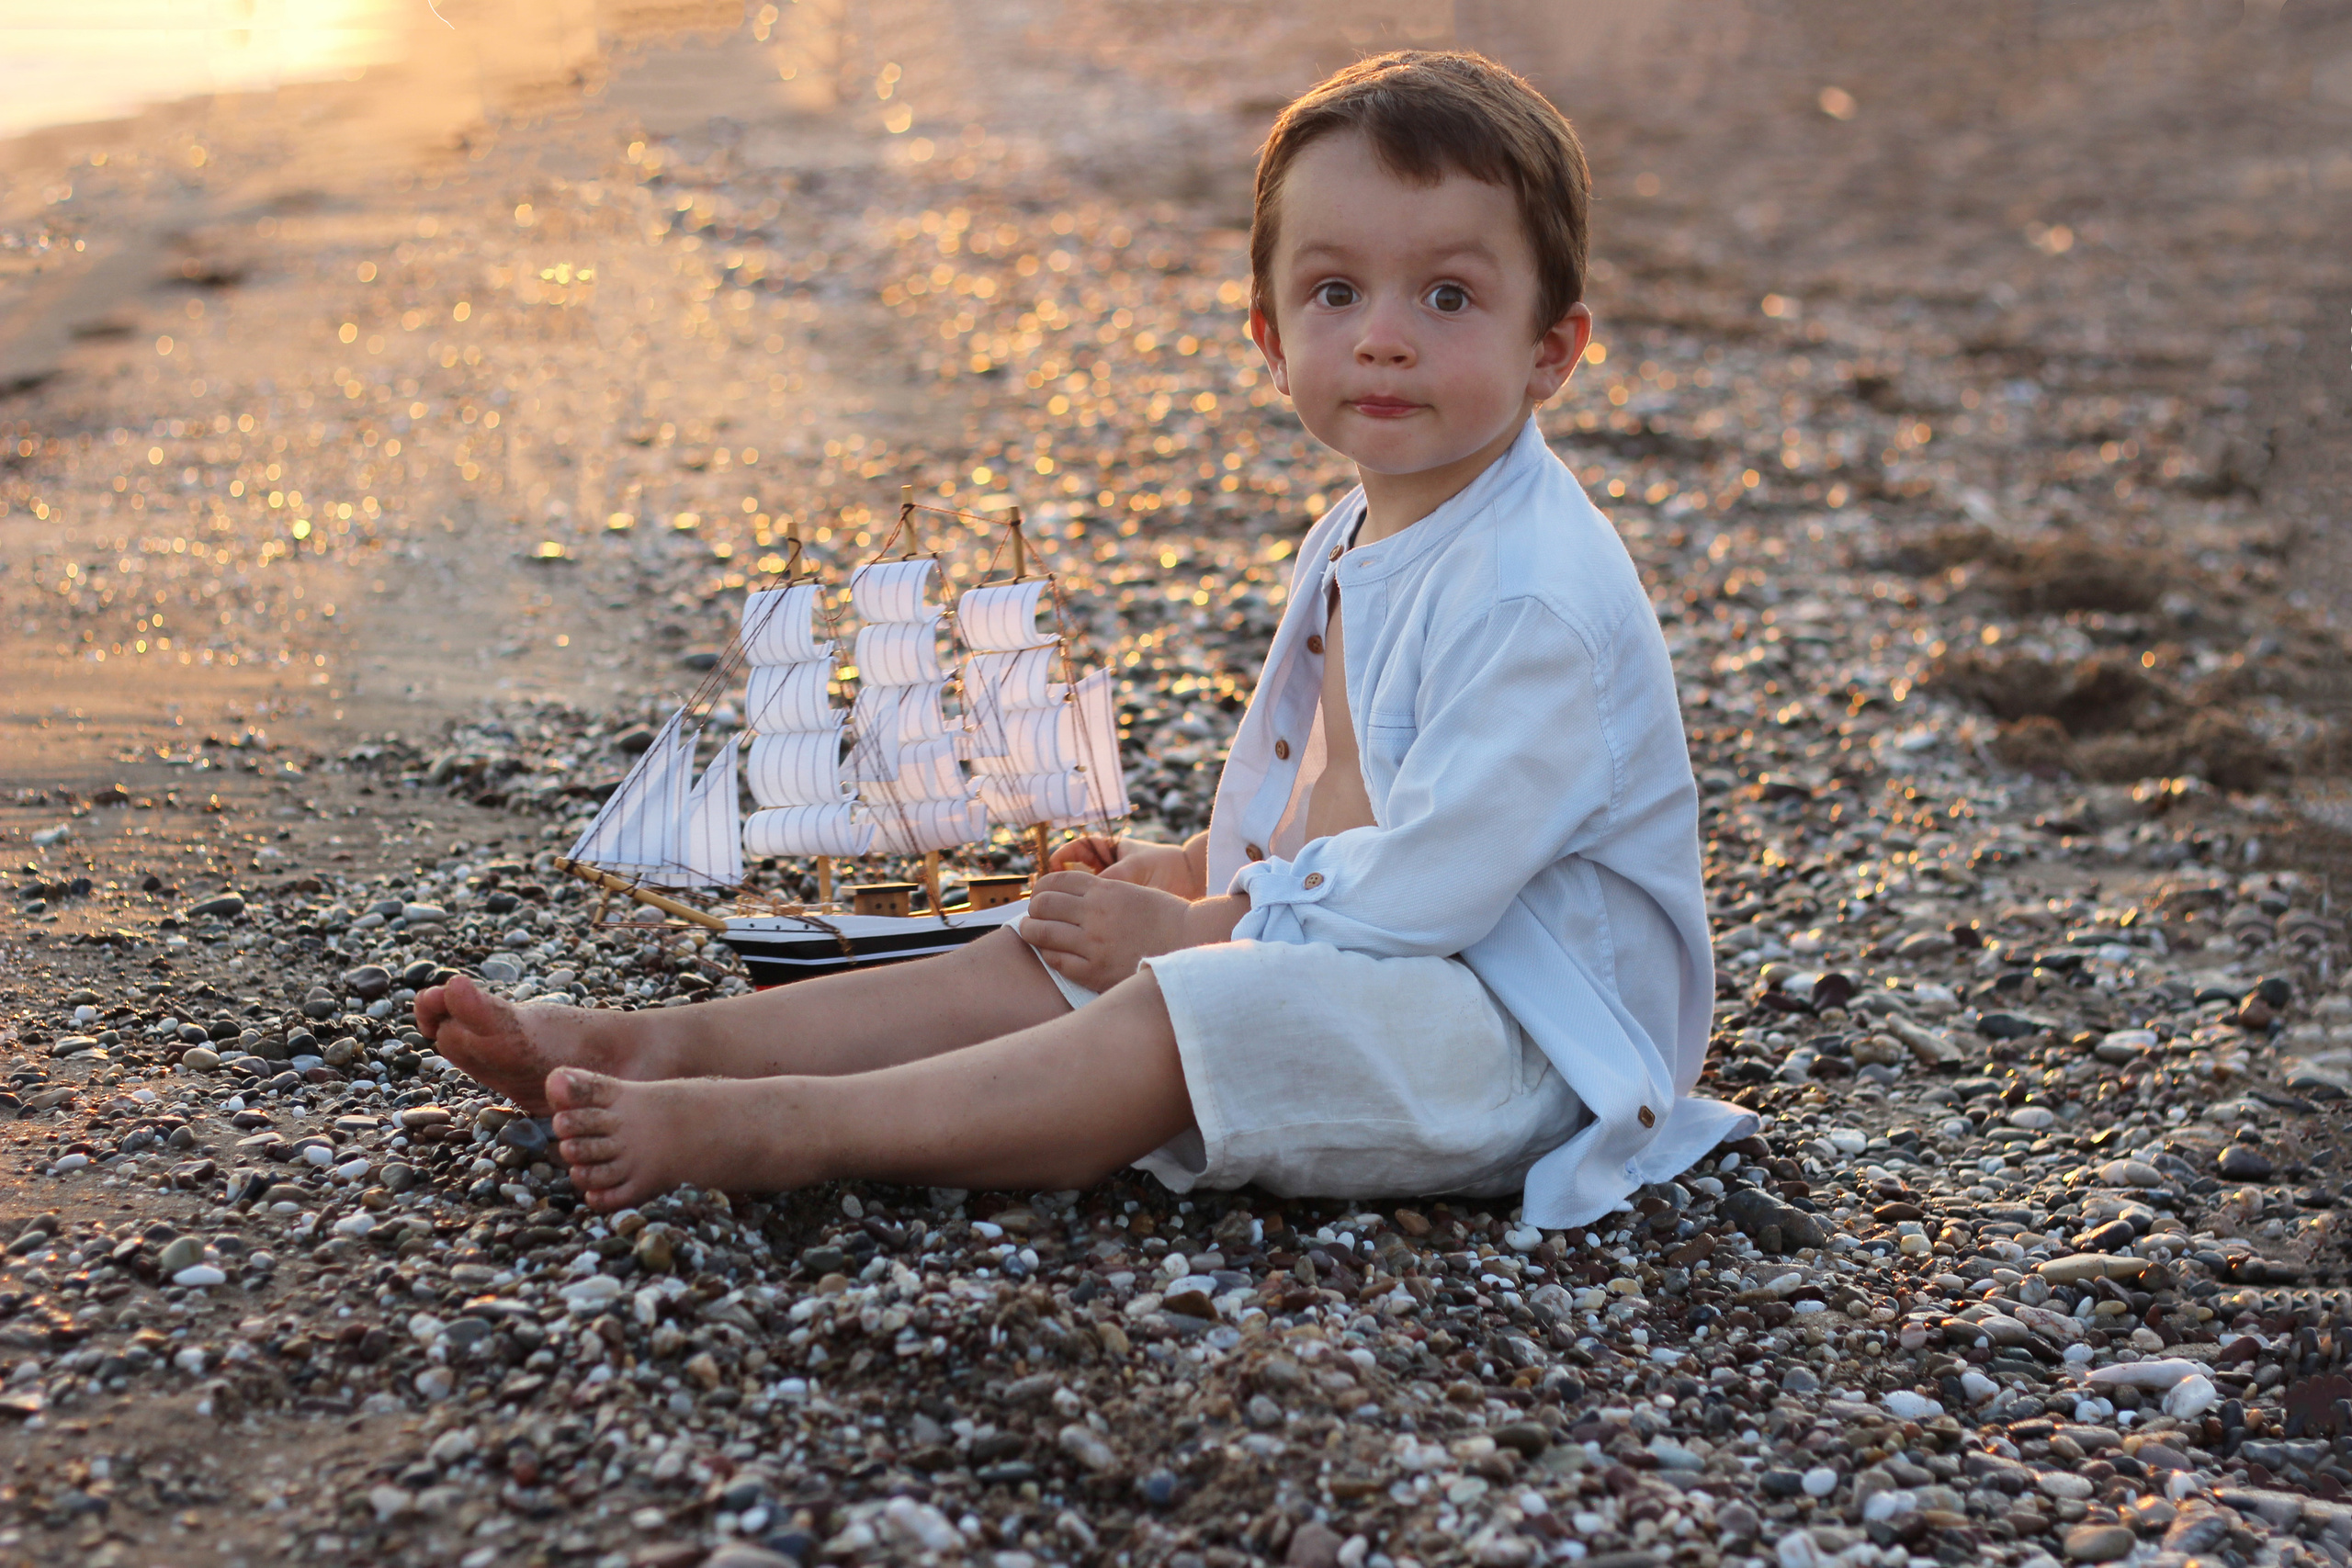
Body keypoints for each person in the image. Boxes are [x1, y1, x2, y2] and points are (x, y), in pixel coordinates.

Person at [414, 49, 1752, 1225]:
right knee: (1040, 948)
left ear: (1552, 349)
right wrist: (1187, 872)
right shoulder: (1361, 532)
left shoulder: (1532, 597)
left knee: (1195, 1007)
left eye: (1448, 299)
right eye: (1338, 293)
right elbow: (1330, 810)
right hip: (1399, 972)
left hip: (1536, 1043)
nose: (1387, 339)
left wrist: (1196, 935)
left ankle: (789, 1131)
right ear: (1270, 338)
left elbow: (1434, 890)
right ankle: (660, 1048)